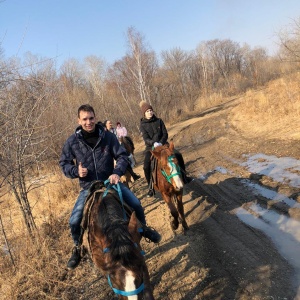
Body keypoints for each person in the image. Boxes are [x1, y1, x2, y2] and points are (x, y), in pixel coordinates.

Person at [59, 104, 161, 270]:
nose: (88, 122)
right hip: (88, 187)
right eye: (84, 119)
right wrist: (75, 170)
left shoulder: (107, 137)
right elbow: (63, 164)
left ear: (95, 117)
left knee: (135, 204)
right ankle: (78, 248)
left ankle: (143, 229)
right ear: (79, 120)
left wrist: (117, 173)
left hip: (111, 183)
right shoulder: (72, 142)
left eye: (91, 118)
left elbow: (122, 156)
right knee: (74, 220)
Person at [139, 101, 192, 197]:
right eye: (147, 111)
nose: (150, 112)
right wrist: (153, 143)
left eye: (151, 110)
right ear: (144, 113)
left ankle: (184, 177)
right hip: (151, 147)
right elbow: (146, 138)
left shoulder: (159, 121)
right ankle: (150, 187)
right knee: (146, 165)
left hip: (164, 145)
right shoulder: (142, 125)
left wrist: (161, 142)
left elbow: (165, 133)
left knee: (178, 155)